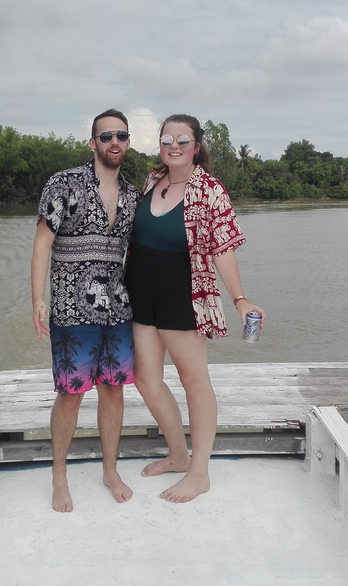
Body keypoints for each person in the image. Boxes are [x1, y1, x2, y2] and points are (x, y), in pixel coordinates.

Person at [125, 113, 265, 503]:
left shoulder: (209, 190)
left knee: (194, 382)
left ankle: (199, 472)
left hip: (182, 290)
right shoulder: (152, 180)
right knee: (146, 379)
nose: (174, 145)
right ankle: (177, 454)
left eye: (182, 140)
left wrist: (240, 299)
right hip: (140, 289)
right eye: (167, 138)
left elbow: (223, 249)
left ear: (196, 147)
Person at [31, 109, 141, 512]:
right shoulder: (64, 183)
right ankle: (59, 474)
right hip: (71, 309)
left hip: (117, 308)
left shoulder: (132, 193)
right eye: (106, 135)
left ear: (128, 143)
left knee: (113, 392)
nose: (115, 141)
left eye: (122, 135)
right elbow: (43, 242)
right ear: (92, 142)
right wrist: (37, 299)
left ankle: (109, 470)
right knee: (71, 394)